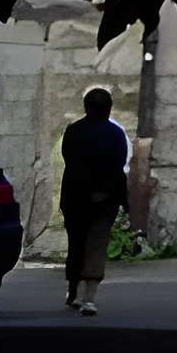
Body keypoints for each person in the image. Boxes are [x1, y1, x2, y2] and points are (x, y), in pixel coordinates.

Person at [57, 87, 128, 314]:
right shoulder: (116, 134)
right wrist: (106, 192)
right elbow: (118, 166)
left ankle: (74, 291)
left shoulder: (74, 131)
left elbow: (70, 160)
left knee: (76, 243)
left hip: (75, 197)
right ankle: (89, 298)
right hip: (105, 200)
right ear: (109, 109)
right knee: (97, 244)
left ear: (86, 107)